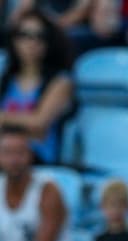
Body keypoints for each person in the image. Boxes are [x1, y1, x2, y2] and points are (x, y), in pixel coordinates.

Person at [0, 125, 77, 241]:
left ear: (30, 155)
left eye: (19, 153)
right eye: (7, 153)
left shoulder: (48, 191)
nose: (14, 160)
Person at [0, 9, 73, 165]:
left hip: (37, 159)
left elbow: (39, 122)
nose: (31, 42)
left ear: (48, 43)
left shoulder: (61, 81)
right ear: (14, 40)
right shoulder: (5, 78)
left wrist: (4, 118)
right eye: (24, 35)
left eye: (39, 36)